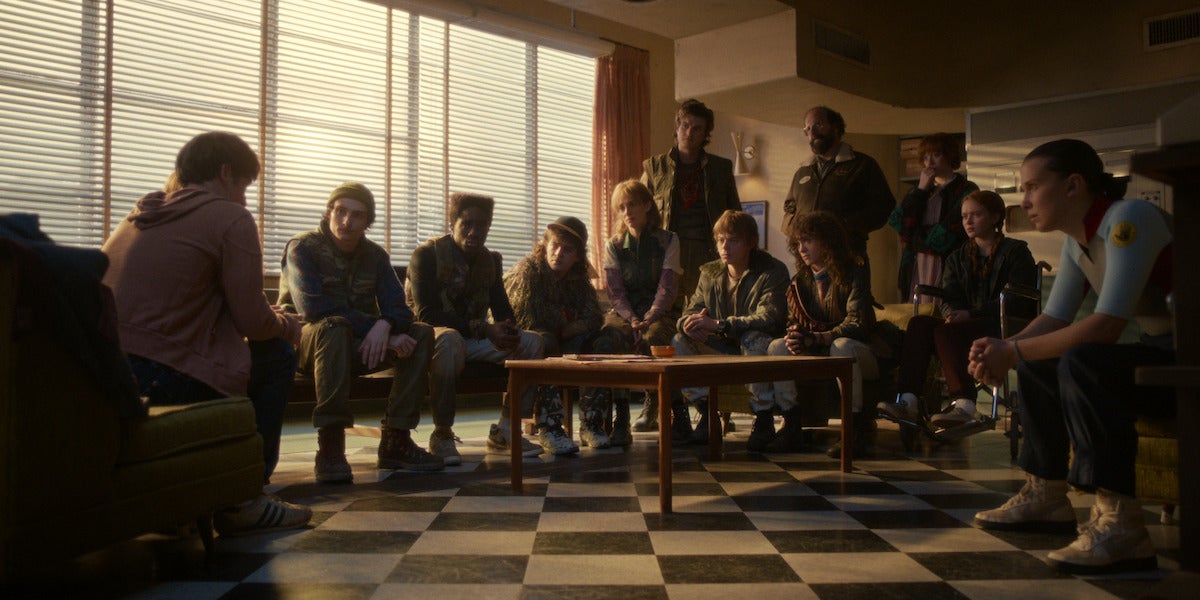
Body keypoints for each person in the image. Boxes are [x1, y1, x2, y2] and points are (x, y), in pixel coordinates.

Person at [969, 139, 1174, 574]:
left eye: (1032, 187)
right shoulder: (1077, 240)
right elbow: (1055, 319)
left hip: (1186, 363)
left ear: (1073, 186)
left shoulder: (1128, 219)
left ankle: (1123, 524)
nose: (1024, 201)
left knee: (1086, 361)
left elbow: (1106, 326)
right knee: (1040, 362)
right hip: (1164, 354)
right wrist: (1002, 351)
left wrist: (1011, 350)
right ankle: (1046, 494)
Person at [101, 131, 311, 536]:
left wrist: (262, 314)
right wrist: (287, 324)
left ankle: (197, 496)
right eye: (245, 188)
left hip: (105, 374)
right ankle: (243, 498)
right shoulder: (230, 217)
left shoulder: (137, 217)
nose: (245, 201)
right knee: (277, 354)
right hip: (159, 377)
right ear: (226, 173)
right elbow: (253, 324)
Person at [278, 182, 441, 481]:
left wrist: (385, 325)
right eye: (340, 211)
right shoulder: (302, 247)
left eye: (357, 215)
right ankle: (331, 444)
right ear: (329, 212)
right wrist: (378, 330)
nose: (346, 221)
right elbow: (313, 308)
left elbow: (400, 309)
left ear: (367, 221)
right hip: (308, 347)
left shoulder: (375, 256)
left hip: (360, 348)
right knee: (334, 326)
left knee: (421, 334)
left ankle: (396, 439)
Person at [878, 190, 1036, 428]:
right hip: (964, 325)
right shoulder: (956, 257)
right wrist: (953, 313)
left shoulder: (1016, 252)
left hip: (1002, 322)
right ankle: (908, 401)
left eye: (976, 215)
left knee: (947, 331)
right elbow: (949, 296)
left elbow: (1018, 300)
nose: (968, 221)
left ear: (995, 217)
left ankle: (964, 405)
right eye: (964, 216)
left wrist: (970, 314)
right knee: (919, 323)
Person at [407, 193, 545, 459]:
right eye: (466, 223)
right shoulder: (427, 255)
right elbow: (426, 314)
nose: (474, 231)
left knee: (533, 342)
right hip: (430, 341)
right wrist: (485, 330)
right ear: (452, 223)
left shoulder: (490, 260)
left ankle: (506, 430)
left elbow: (502, 309)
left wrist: (508, 331)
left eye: (481, 225)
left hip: (474, 339)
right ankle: (442, 433)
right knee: (450, 340)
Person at [642, 99, 742, 432]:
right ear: (677, 126)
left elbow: (734, 216)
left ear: (705, 134)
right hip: (667, 256)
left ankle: (718, 409)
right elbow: (640, 214)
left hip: (708, 257)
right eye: (685, 125)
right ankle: (655, 403)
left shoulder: (720, 168)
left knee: (705, 327)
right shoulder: (654, 167)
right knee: (659, 328)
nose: (689, 132)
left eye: (697, 128)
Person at [764, 211, 892, 456]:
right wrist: (795, 335)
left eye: (808, 241)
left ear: (827, 242)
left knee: (841, 345)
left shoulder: (854, 270)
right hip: (818, 350)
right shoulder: (801, 280)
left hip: (862, 351)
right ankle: (791, 425)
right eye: (798, 242)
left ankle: (854, 428)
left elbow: (858, 323)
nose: (802, 248)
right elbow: (794, 320)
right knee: (776, 347)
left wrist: (821, 337)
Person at [506, 217, 628, 450]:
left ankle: (592, 423)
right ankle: (550, 426)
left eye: (567, 249)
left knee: (607, 338)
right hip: (526, 345)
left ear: (577, 257)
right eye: (555, 245)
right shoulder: (528, 271)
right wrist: (567, 318)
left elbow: (594, 318)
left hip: (565, 339)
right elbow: (528, 320)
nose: (558, 253)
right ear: (545, 245)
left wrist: (569, 328)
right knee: (545, 339)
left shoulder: (578, 278)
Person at [671, 210, 788, 446]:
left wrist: (719, 325)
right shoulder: (710, 272)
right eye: (720, 240)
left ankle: (763, 417)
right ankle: (707, 413)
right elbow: (690, 310)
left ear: (750, 243)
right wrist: (689, 325)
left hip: (756, 346)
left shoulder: (771, 269)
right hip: (721, 346)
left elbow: (770, 318)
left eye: (733, 240)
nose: (725, 247)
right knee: (678, 341)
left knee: (753, 338)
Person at [602, 179, 682, 435]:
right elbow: (615, 293)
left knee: (655, 337)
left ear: (647, 205)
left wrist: (650, 316)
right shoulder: (613, 244)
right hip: (625, 312)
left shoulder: (668, 240)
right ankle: (621, 412)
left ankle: (654, 404)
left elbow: (667, 287)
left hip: (660, 311)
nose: (626, 212)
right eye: (621, 207)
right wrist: (632, 318)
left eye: (632, 205)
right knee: (610, 337)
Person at [782, 106, 895, 260]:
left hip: (847, 256)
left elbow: (883, 207)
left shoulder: (862, 165)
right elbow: (789, 210)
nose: (812, 133)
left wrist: (842, 227)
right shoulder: (802, 172)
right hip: (809, 261)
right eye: (807, 129)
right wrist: (796, 232)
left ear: (835, 127)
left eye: (818, 125)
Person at [888, 133, 980, 302]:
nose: (929, 162)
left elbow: (948, 234)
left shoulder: (966, 189)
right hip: (917, 263)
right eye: (925, 157)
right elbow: (898, 223)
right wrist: (921, 190)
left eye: (936, 155)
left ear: (949, 156)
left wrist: (914, 237)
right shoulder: (919, 191)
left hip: (948, 263)